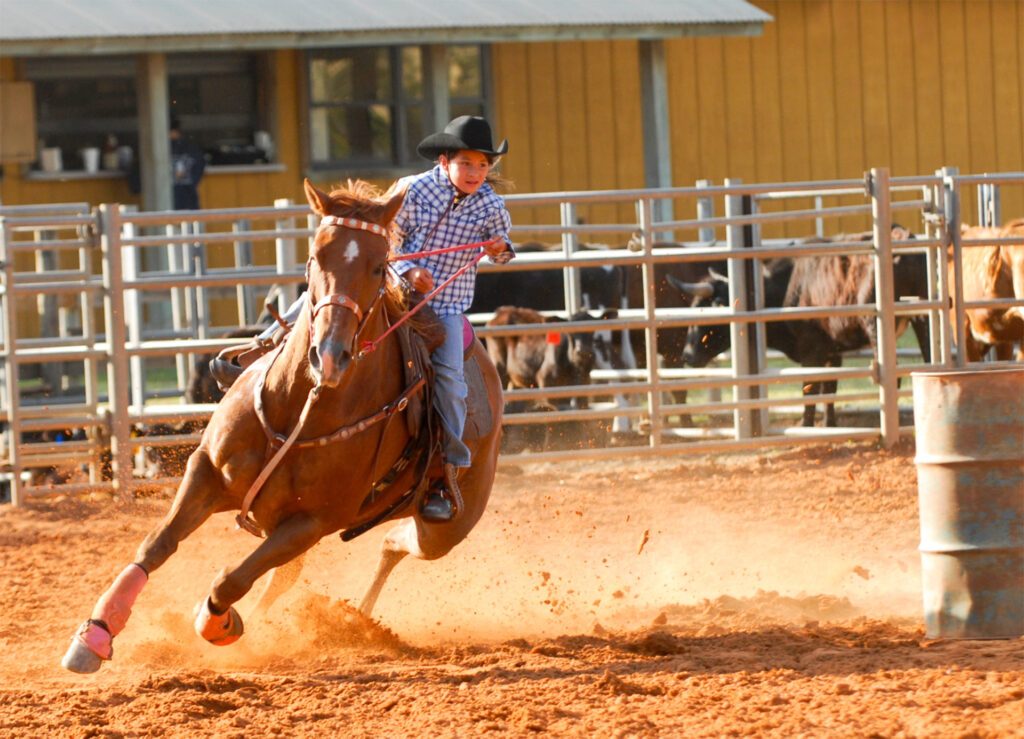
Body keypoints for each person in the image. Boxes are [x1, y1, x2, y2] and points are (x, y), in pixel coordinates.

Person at [249, 115, 514, 522]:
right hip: (389, 287)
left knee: (449, 378)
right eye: (467, 163)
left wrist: (498, 248)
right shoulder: (412, 190)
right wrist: (409, 272)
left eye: (483, 165)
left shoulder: (492, 207)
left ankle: (447, 469)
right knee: (329, 304)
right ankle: (259, 348)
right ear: (445, 161)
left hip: (444, 306)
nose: (476, 173)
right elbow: (382, 239)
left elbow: (505, 249)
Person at [169, 118, 206, 210]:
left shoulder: (189, 147)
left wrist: (192, 182)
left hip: (186, 192)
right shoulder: (162, 146)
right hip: (180, 193)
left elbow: (199, 166)